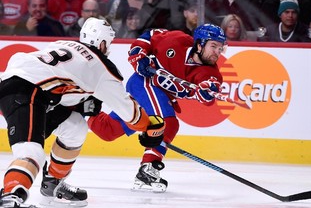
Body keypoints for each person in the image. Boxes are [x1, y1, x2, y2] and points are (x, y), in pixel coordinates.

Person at [0, 17, 165, 208]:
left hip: (26, 87)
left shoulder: (64, 45)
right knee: (31, 153)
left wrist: (82, 103)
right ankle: (10, 199)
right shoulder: (101, 66)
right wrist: (150, 127)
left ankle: (52, 183)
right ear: (102, 43)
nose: (109, 49)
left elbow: (63, 86)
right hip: (29, 92)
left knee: (75, 127)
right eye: (109, 44)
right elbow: (131, 114)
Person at [88, 24, 227, 193]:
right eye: (213, 46)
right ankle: (148, 168)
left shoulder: (211, 73)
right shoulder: (177, 41)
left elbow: (209, 90)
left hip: (160, 96)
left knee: (107, 131)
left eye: (220, 48)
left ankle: (84, 109)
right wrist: (138, 55)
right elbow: (149, 35)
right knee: (168, 122)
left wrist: (206, 93)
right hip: (143, 83)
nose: (217, 52)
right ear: (199, 44)